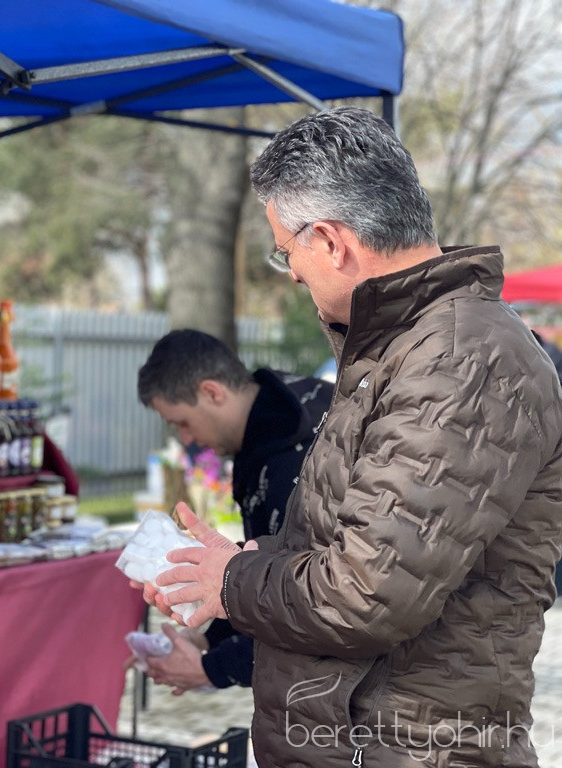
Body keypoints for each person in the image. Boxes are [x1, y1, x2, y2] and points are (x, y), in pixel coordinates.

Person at [152, 107, 562, 767]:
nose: (291, 272)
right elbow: (368, 538)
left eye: (286, 251)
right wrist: (255, 555)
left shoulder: (461, 358)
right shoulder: (403, 345)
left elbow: (367, 595)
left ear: (330, 241)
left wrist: (233, 580)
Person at [133, 329, 331, 694]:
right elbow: (258, 568)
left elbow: (312, 596)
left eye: (182, 423)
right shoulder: (273, 422)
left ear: (212, 392)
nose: (185, 439)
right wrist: (209, 637)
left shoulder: (301, 453)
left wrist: (213, 668)